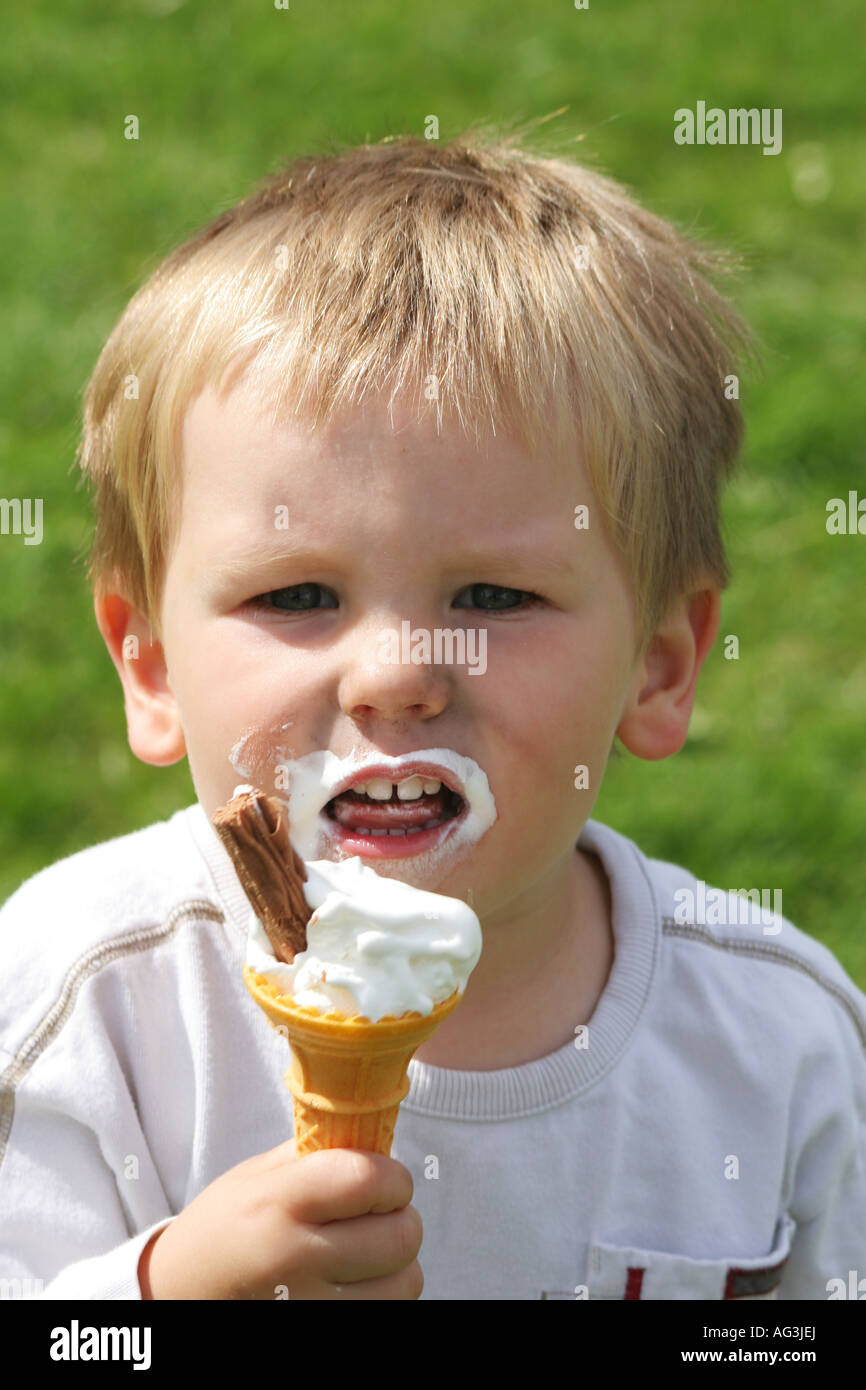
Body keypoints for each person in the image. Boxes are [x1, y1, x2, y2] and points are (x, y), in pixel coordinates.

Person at [1, 132, 863, 1301]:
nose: (398, 673)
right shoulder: (82, 1000)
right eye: (296, 594)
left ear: (658, 668)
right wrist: (160, 1293)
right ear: (149, 665)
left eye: (493, 596)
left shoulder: (778, 1042)